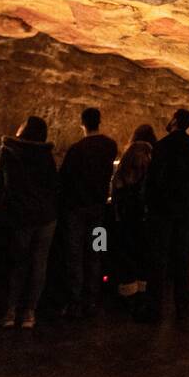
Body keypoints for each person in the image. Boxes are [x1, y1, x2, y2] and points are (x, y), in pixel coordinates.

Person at [0, 116, 59, 330]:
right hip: (46, 218)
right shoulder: (46, 156)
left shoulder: (7, 151)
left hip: (20, 216)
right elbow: (54, 185)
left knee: (17, 264)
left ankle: (9, 312)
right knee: (39, 265)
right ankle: (29, 314)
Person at [57, 107, 119, 318]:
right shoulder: (110, 146)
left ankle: (75, 301)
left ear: (82, 123)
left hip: (76, 210)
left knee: (75, 254)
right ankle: (92, 300)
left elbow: (64, 179)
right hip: (99, 210)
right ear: (99, 121)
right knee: (95, 253)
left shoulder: (77, 149)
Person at [141, 109, 189, 323]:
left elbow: (153, 180)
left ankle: (154, 308)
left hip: (162, 210)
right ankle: (182, 306)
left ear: (174, 120)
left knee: (158, 259)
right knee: (181, 259)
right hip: (183, 211)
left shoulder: (162, 146)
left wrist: (148, 205)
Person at [110, 124, 154, 307]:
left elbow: (116, 193)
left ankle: (125, 291)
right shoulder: (150, 169)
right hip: (144, 219)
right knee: (142, 253)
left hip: (123, 220)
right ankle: (142, 290)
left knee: (114, 250)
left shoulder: (124, 172)